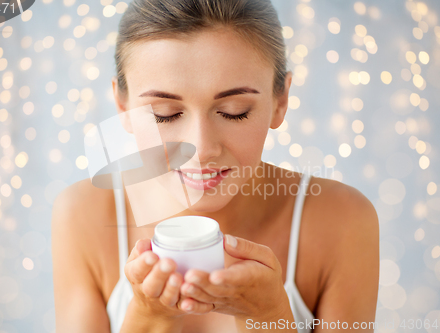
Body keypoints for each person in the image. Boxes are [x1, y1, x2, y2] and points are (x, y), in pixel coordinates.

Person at [51, 0, 380, 332]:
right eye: (164, 113)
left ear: (280, 101)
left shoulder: (342, 219)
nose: (202, 149)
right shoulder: (84, 214)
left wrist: (267, 316)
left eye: (234, 111)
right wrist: (150, 317)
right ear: (123, 107)